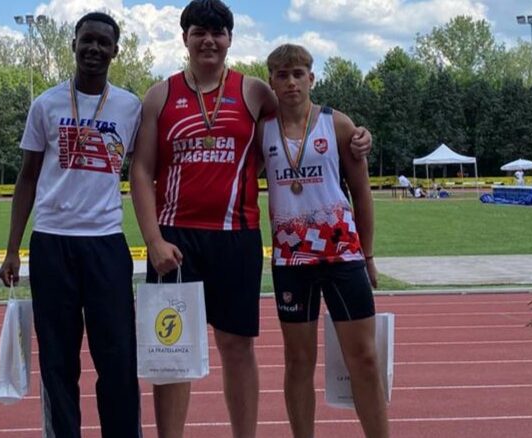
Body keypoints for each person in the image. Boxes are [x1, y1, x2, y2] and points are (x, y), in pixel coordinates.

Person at [129, 1, 372, 437]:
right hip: (175, 240)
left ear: (229, 39)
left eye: (218, 32)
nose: (209, 40)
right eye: (199, 32)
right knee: (172, 352)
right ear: (185, 38)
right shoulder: (160, 95)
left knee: (237, 347)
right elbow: (142, 170)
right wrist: (153, 240)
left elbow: (302, 119)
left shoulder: (255, 91)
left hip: (236, 236)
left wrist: (354, 136)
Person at [0, 12, 142, 438]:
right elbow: (27, 177)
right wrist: (12, 249)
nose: (94, 48)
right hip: (52, 243)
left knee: (117, 358)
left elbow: (144, 170)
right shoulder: (46, 104)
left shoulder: (130, 107)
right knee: (58, 360)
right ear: (74, 44)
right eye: (87, 40)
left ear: (116, 51)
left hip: (106, 243)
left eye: (103, 43)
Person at [259, 43, 388, 438]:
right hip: (291, 260)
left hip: (341, 255)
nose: (291, 82)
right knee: (298, 362)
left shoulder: (338, 125)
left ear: (311, 78)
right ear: (271, 82)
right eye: (282, 75)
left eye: (298, 74)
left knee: (363, 358)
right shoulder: (261, 131)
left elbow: (362, 193)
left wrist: (368, 255)